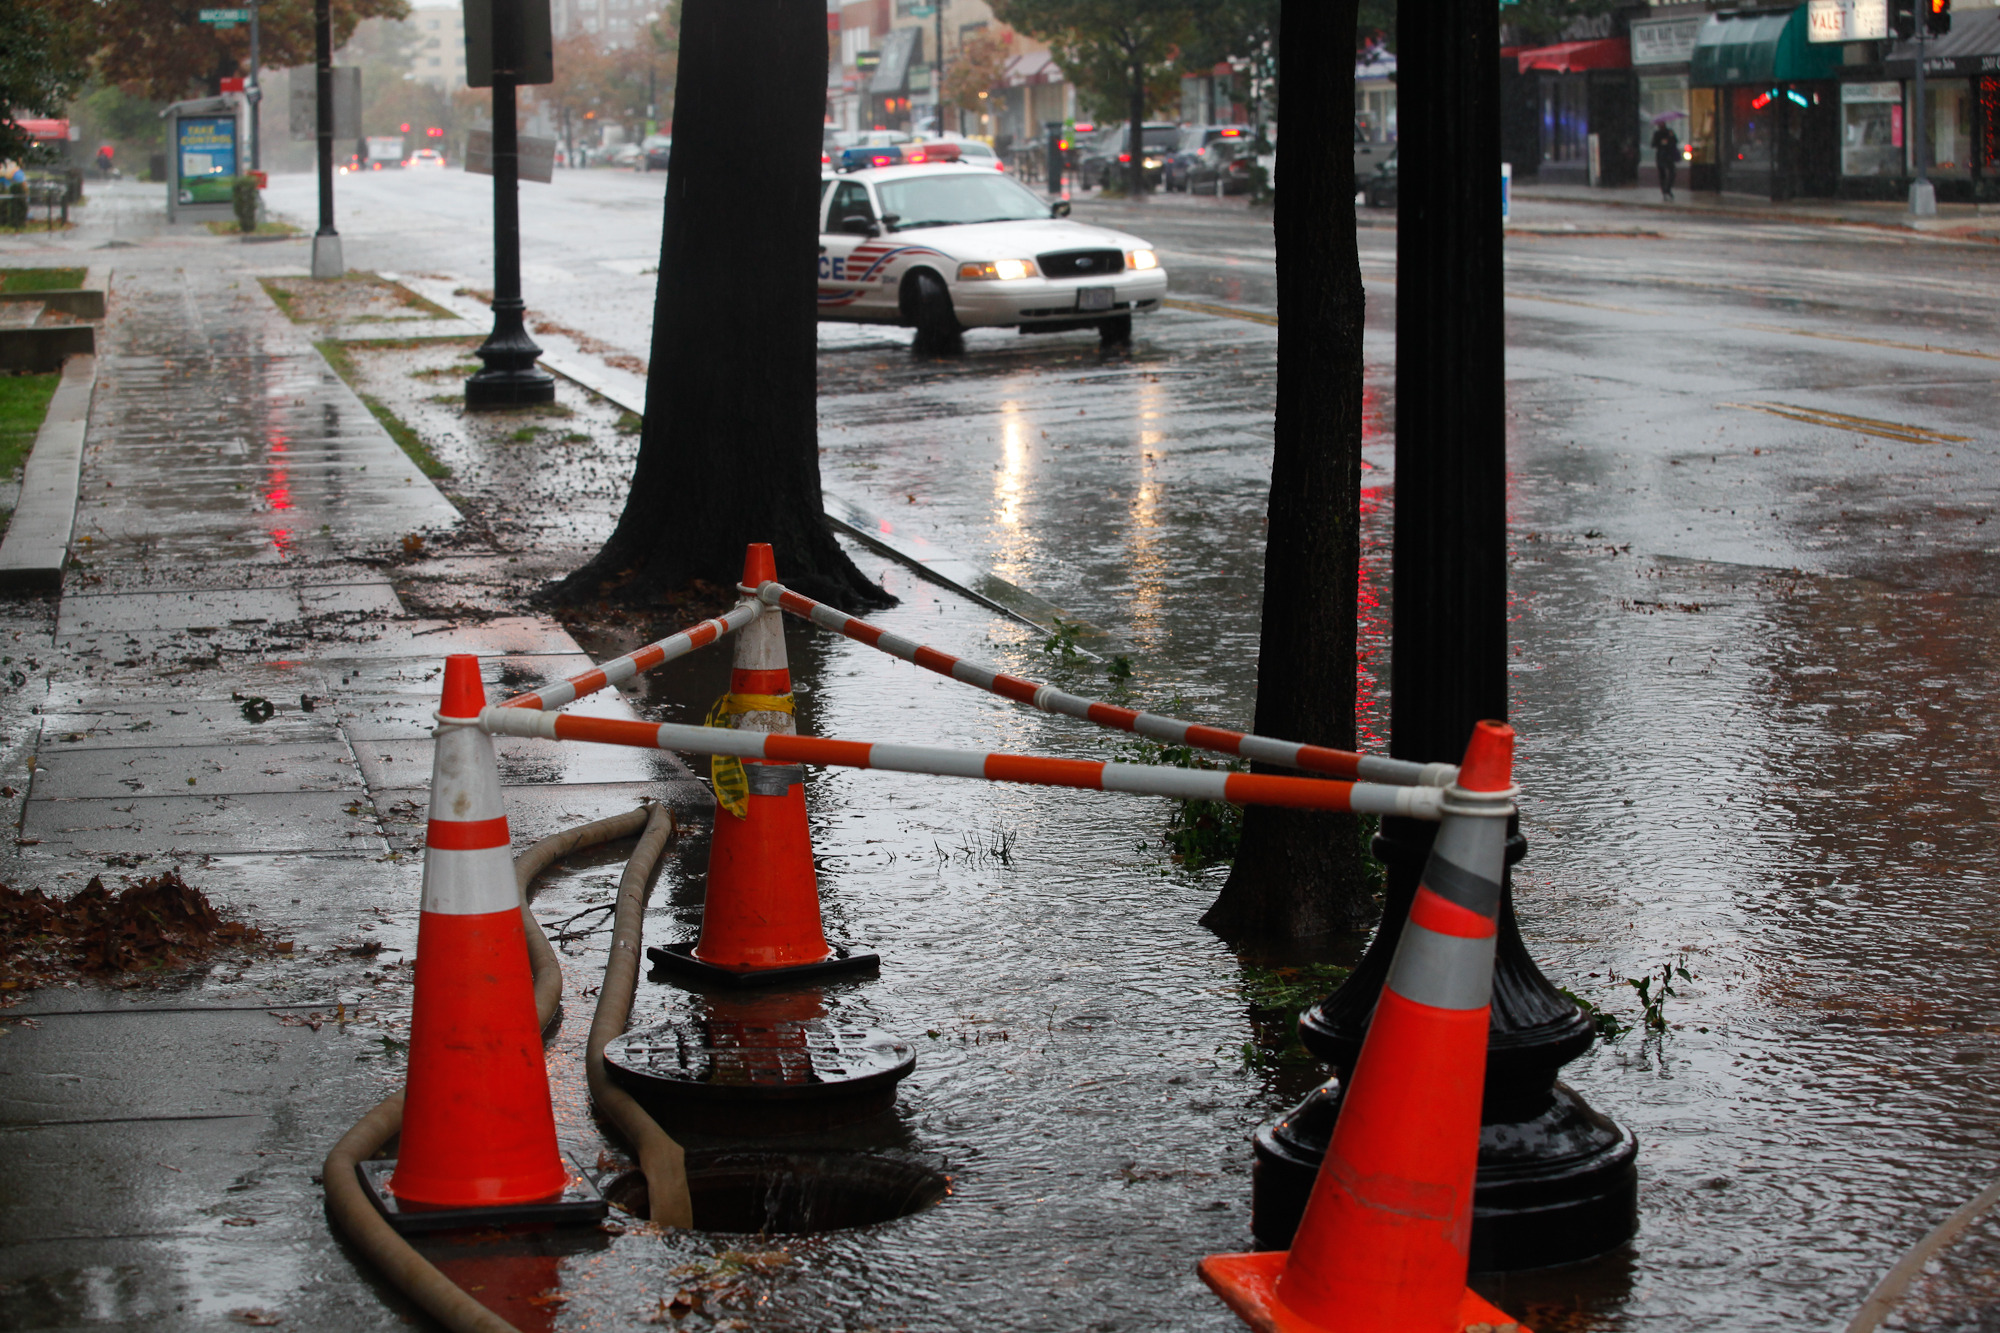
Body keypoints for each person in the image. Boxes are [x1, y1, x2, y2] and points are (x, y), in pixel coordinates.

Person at [1651, 121, 1681, 202]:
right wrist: (1661, 142)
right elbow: (1653, 144)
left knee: (1672, 172)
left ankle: (1668, 188)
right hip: (1661, 156)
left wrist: (1669, 140)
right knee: (1662, 174)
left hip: (1669, 156)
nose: (1661, 125)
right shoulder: (1657, 133)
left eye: (1662, 124)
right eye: (1660, 124)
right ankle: (1664, 191)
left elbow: (1675, 141)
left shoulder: (1669, 132)